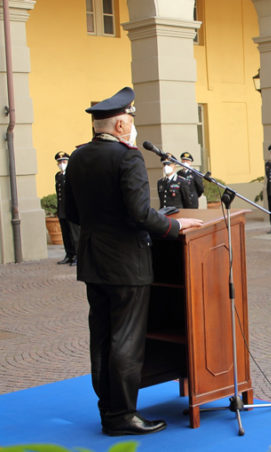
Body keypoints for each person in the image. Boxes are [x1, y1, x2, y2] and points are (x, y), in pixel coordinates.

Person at [64, 86, 203, 436]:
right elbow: (141, 214)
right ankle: (123, 415)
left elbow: (71, 214)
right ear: (122, 125)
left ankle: (107, 409)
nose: (135, 130)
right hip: (127, 265)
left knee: (103, 337)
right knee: (126, 340)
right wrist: (175, 225)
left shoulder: (78, 158)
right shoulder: (127, 158)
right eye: (132, 122)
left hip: (94, 262)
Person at [54, 151, 80, 266]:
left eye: (64, 161)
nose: (61, 163)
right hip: (62, 209)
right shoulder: (58, 176)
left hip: (71, 209)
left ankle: (77, 255)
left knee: (75, 234)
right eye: (59, 162)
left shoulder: (73, 174)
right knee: (65, 234)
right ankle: (69, 254)